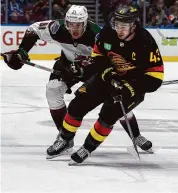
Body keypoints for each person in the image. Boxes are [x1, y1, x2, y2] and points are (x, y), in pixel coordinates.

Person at [2, 5, 152, 160]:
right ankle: (65, 138)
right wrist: (22, 51)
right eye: (71, 24)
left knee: (117, 97)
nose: (74, 29)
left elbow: (108, 59)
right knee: (52, 90)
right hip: (66, 66)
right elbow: (33, 29)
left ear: (85, 23)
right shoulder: (57, 29)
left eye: (78, 25)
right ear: (66, 22)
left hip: (94, 70)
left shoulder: (97, 35)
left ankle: (136, 135)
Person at [50, 5, 164, 164]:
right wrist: (108, 74)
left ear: (133, 25)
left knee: (109, 115)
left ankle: (88, 148)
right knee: (77, 105)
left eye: (123, 26)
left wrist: (129, 89)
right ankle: (64, 139)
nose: (119, 30)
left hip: (132, 85)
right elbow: (97, 56)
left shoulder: (145, 41)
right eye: (117, 25)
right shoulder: (107, 33)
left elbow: (155, 77)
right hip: (107, 77)